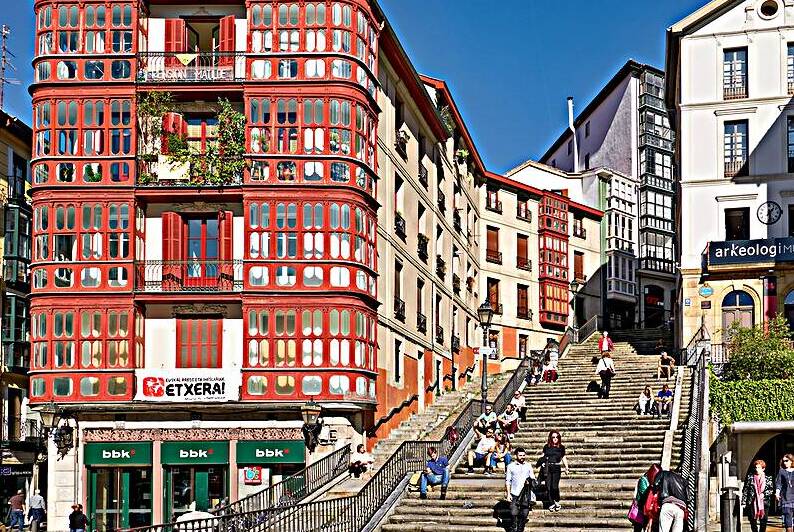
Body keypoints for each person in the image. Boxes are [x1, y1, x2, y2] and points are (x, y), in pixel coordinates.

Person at [505, 447, 535, 532]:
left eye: (523, 455)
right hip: (515, 493)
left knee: (524, 514)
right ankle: (514, 525)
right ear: (516, 456)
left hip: (526, 494)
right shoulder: (510, 466)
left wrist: (530, 481)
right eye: (520, 455)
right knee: (513, 512)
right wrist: (508, 494)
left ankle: (520, 529)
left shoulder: (528, 465)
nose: (522, 457)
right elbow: (508, 481)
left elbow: (533, 477)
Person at [541, 431, 569, 511]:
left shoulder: (561, 447)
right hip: (548, 467)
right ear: (550, 438)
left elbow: (563, 458)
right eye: (553, 437)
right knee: (548, 486)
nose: (555, 439)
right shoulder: (547, 446)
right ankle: (551, 503)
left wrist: (566, 468)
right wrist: (542, 463)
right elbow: (543, 456)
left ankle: (556, 500)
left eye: (557, 437)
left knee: (554, 486)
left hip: (556, 468)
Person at [742, 459, 773, 532]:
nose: (757, 469)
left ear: (763, 468)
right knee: (752, 520)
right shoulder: (751, 477)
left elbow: (771, 489)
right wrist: (743, 502)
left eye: (759, 467)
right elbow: (746, 489)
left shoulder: (768, 478)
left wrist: (764, 494)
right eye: (756, 467)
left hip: (764, 502)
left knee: (763, 521)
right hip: (752, 501)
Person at [630, 464, 661, 532]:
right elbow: (644, 494)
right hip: (640, 509)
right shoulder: (643, 480)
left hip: (647, 509)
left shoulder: (653, 482)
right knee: (638, 528)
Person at [776, 453, 794, 532]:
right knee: (788, 520)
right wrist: (777, 493)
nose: (785, 462)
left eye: (786, 461)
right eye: (783, 461)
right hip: (786, 498)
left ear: (791, 461)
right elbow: (778, 484)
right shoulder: (781, 471)